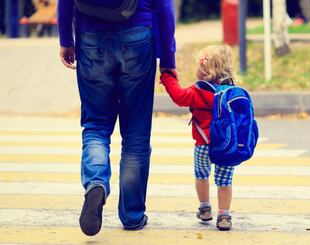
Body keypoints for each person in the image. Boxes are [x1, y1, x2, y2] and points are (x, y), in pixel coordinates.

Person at [57, 0, 176, 236]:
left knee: (96, 126)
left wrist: (65, 40)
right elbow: (164, 6)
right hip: (138, 36)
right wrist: (168, 60)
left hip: (90, 37)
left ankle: (96, 183)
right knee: (136, 134)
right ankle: (132, 215)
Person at [159, 45, 237, 231]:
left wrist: (167, 77)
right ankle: (224, 215)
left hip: (203, 145)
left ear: (203, 69)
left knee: (202, 175)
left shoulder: (199, 91)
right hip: (227, 146)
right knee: (225, 181)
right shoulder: (231, 92)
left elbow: (179, 96)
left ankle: (205, 209)